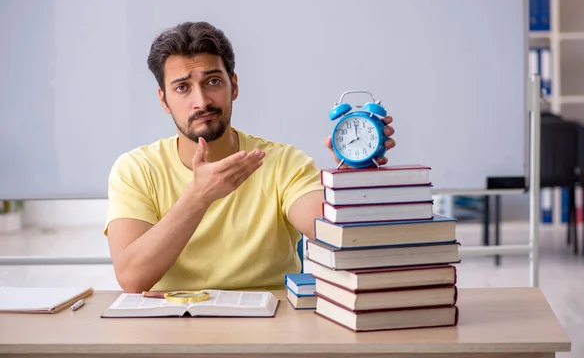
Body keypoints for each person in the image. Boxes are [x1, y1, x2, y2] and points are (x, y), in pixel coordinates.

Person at [104, 21, 395, 293]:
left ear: (234, 86)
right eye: (182, 87)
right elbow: (132, 277)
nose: (202, 101)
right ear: (163, 100)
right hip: (171, 332)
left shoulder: (282, 163)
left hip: (271, 332)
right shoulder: (135, 169)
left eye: (213, 82)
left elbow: (343, 239)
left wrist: (355, 172)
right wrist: (198, 196)